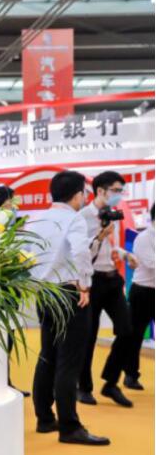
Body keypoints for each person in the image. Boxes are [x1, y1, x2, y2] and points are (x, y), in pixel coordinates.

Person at [29, 170, 109, 446]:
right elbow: (80, 251)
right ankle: (70, 427)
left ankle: (44, 418)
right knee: (69, 361)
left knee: (48, 355)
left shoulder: (36, 218)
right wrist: (84, 284)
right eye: (84, 193)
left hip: (44, 293)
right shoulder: (74, 219)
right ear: (77, 195)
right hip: (68, 293)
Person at [78, 171, 138, 407]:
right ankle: (84, 387)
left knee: (127, 330)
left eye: (121, 191)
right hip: (92, 282)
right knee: (88, 336)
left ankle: (110, 383)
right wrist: (100, 236)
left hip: (113, 280)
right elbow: (82, 253)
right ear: (100, 191)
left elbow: (111, 249)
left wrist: (125, 255)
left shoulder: (112, 214)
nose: (119, 195)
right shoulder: (83, 217)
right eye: (115, 190)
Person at [0, 186, 29, 398]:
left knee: (8, 336)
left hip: (8, 287)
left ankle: (5, 381)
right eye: (11, 201)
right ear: (4, 202)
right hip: (0, 288)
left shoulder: (10, 227)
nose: (14, 206)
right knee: (2, 336)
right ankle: (0, 382)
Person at [109, 204, 154, 391]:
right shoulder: (144, 238)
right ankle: (130, 374)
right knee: (135, 335)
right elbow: (151, 263)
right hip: (143, 292)